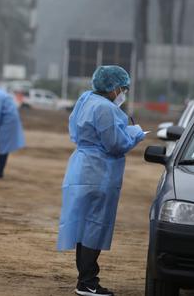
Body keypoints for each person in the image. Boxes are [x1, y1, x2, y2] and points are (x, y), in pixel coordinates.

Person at [57, 66, 145, 296]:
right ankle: (87, 282)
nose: (123, 93)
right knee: (94, 226)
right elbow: (115, 144)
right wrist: (135, 133)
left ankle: (85, 279)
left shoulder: (85, 99)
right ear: (114, 88)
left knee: (84, 226)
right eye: (123, 89)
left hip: (82, 167)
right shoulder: (105, 108)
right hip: (99, 172)